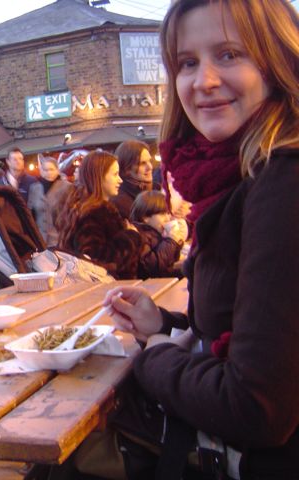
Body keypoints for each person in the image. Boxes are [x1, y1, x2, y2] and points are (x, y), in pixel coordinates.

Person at [74, 1, 299, 478]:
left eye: (230, 54)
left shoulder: (284, 181)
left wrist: (152, 355)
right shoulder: (239, 176)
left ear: (277, 61)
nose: (205, 81)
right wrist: (166, 322)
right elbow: (249, 332)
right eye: (187, 63)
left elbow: (256, 407)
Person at [56, 150, 142, 279]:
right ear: (99, 177)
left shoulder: (84, 209)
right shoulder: (95, 214)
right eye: (115, 174)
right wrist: (130, 237)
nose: (120, 180)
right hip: (108, 292)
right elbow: (95, 261)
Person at [129, 190, 184, 278]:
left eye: (168, 213)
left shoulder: (156, 233)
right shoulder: (138, 235)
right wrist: (171, 240)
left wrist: (177, 243)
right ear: (145, 217)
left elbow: (171, 261)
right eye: (162, 214)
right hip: (147, 285)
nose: (167, 218)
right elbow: (153, 266)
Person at [27, 155, 73, 247]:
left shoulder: (67, 187)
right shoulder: (34, 188)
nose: (48, 173)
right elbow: (30, 214)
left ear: (57, 170)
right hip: (40, 241)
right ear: (41, 171)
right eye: (45, 170)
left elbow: (71, 215)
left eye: (51, 169)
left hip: (60, 241)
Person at [111, 139, 154, 219]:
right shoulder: (119, 202)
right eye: (142, 163)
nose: (150, 167)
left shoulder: (156, 189)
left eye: (149, 161)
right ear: (126, 169)